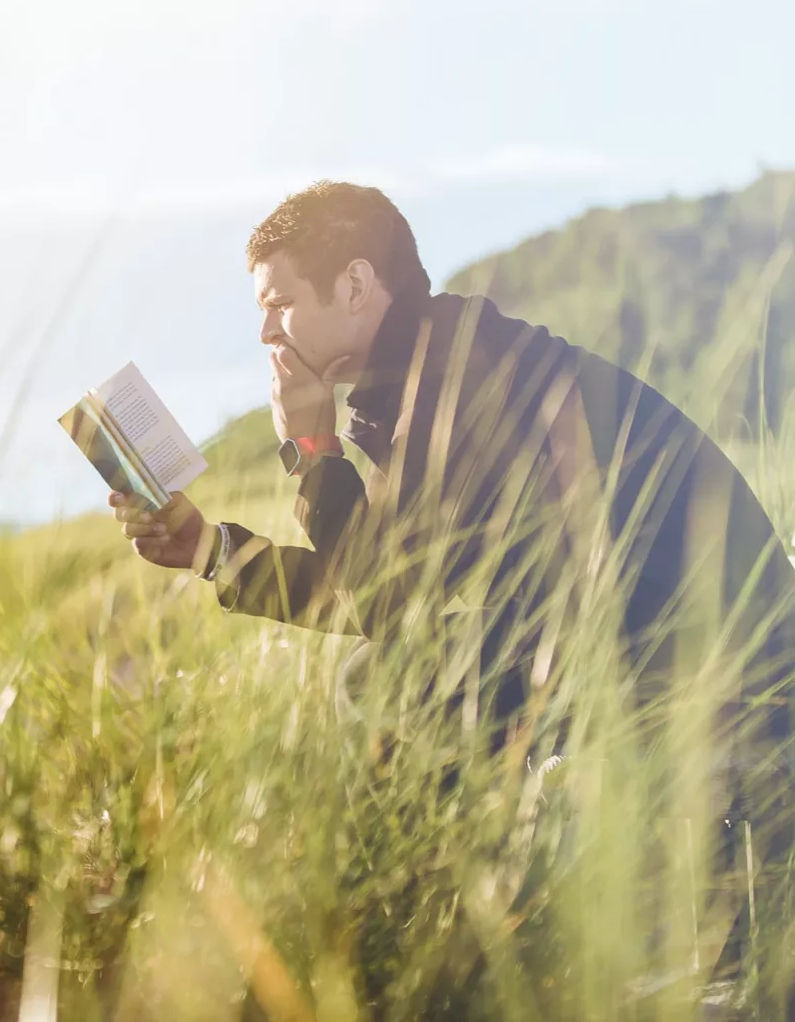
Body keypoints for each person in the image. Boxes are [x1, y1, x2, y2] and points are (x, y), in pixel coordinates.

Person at [108, 181, 795, 1007]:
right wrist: (206, 549)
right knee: (387, 675)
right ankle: (465, 940)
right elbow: (388, 590)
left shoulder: (463, 376)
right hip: (643, 653)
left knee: (383, 681)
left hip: (719, 678)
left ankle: (456, 952)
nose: (264, 330)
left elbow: (384, 599)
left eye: (280, 301)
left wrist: (315, 447)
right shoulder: (430, 374)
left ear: (356, 285)